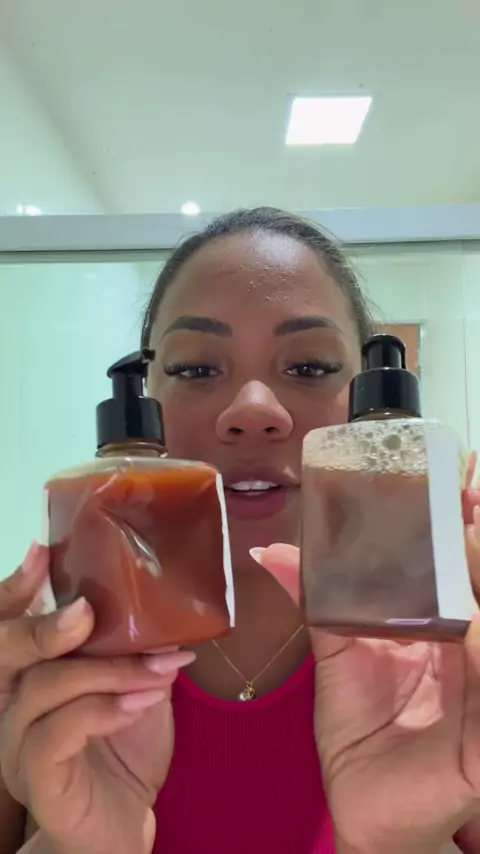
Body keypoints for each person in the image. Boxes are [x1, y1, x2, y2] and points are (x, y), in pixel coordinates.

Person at [2, 207, 480, 854]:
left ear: (365, 401)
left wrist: (403, 842)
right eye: (196, 370)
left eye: (309, 366)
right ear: (147, 407)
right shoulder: (49, 673)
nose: (253, 412)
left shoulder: (446, 665)